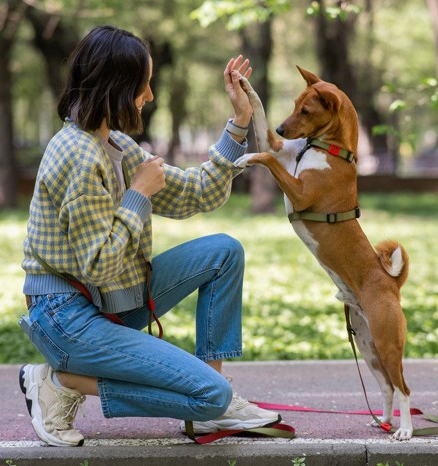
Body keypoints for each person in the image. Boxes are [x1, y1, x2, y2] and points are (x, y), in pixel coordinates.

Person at [18, 24, 279, 447]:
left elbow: (198, 192)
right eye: (144, 85)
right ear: (117, 87)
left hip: (108, 299)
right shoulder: (78, 158)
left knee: (223, 253)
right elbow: (100, 265)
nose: (150, 96)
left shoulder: (114, 144)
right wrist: (138, 193)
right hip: (66, 317)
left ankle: (217, 398)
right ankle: (61, 381)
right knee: (210, 397)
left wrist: (239, 123)